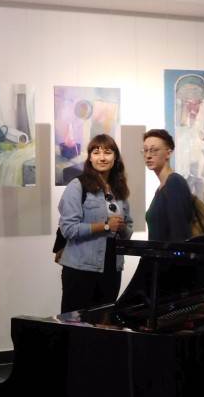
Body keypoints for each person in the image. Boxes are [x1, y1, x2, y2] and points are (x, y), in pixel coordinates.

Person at [57, 134, 133, 313]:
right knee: (75, 324)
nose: (102, 157)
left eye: (108, 152)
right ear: (90, 158)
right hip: (81, 268)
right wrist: (105, 226)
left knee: (105, 323)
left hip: (112, 267)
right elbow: (68, 229)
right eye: (96, 152)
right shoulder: (77, 185)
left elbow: (129, 228)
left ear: (115, 157)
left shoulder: (119, 189)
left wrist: (122, 227)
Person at [142, 128, 194, 242]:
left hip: (169, 253)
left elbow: (180, 234)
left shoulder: (175, 183)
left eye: (154, 150)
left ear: (168, 153)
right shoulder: (161, 187)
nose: (148, 155)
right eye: (145, 150)